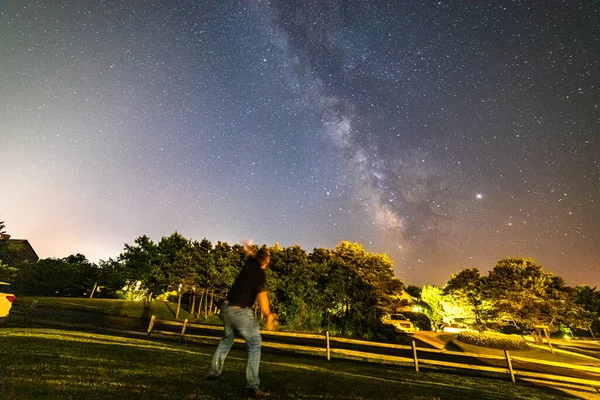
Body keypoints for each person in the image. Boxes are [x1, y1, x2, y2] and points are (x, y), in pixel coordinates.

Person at [206, 246, 276, 399]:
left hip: (226, 308)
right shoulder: (259, 273)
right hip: (239, 311)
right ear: (266, 261)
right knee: (255, 343)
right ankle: (252, 387)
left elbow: (250, 255)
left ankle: (212, 373)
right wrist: (268, 315)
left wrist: (248, 248)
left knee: (226, 341)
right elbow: (262, 296)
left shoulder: (249, 264)